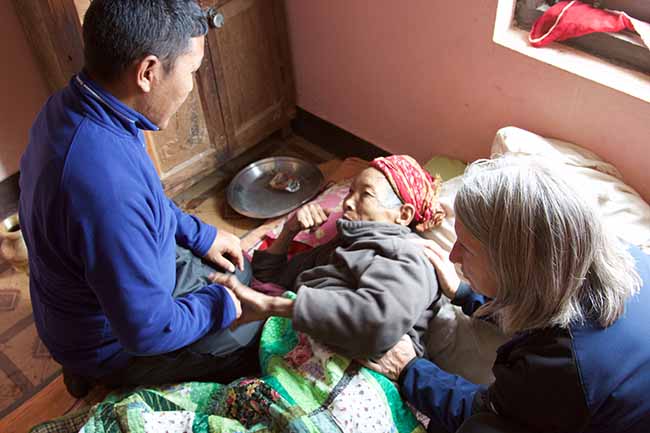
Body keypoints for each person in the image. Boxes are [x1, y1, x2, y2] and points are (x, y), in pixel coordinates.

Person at [19, 0, 262, 397]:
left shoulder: (73, 105)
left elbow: (146, 203)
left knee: (240, 270)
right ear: (148, 72)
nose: (191, 85)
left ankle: (84, 366)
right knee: (248, 330)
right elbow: (147, 331)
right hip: (111, 340)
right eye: (192, 71)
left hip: (86, 301)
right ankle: (98, 373)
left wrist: (201, 235)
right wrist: (222, 307)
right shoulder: (105, 187)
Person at [363, 155, 650, 433]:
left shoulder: (560, 366)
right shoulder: (625, 255)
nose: (453, 255)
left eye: (467, 247)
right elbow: (539, 307)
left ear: (513, 267)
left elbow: (488, 412)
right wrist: (466, 294)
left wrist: (410, 369)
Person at [214, 155, 445, 359]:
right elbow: (268, 279)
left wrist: (273, 306)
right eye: (350, 191)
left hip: (351, 376)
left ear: (403, 215)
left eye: (365, 194)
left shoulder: (409, 253)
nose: (348, 202)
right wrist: (290, 228)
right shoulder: (341, 245)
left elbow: (377, 325)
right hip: (288, 350)